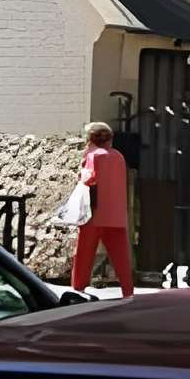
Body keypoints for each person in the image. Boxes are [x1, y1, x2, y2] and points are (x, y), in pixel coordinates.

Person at [71, 122, 134, 297]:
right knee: (121, 257)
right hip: (116, 214)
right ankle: (128, 290)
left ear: (90, 139)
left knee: (84, 253)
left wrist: (81, 170)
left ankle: (78, 288)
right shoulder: (119, 157)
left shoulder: (92, 156)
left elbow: (89, 179)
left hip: (94, 213)